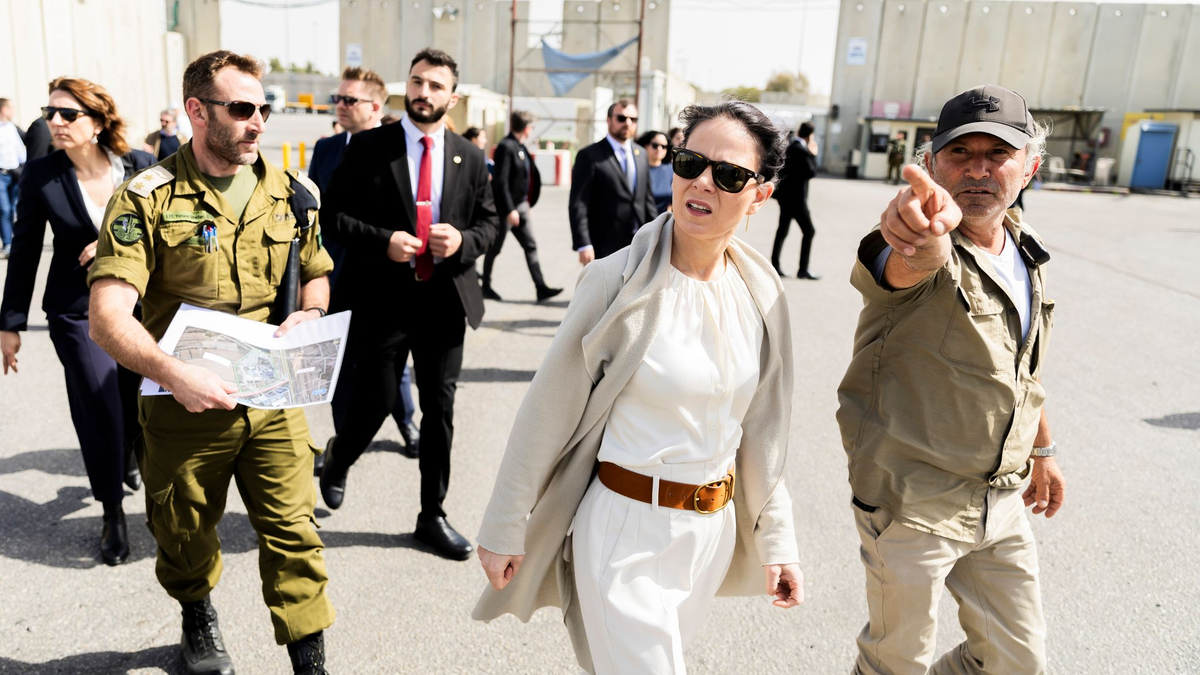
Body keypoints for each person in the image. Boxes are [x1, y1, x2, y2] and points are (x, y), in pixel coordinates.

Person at [475, 99, 804, 674]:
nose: (701, 182)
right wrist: (505, 522)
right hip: (625, 533)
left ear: (760, 195)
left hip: (708, 537)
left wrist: (777, 542)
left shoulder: (761, 292)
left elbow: (761, 431)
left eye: (727, 175)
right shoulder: (613, 282)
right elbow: (546, 410)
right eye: (688, 162)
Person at [86, 51, 336, 675]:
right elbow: (107, 317)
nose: (258, 123)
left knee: (294, 532)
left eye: (264, 109)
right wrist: (174, 375)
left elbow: (318, 276)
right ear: (197, 112)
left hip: (272, 395)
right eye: (242, 109)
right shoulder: (144, 197)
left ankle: (311, 662)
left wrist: (311, 311)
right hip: (183, 400)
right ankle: (197, 613)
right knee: (184, 529)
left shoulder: (293, 193)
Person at [837, 84, 1064, 675]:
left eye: (998, 154)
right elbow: (901, 261)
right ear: (931, 163)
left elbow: (1022, 368)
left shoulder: (1026, 252)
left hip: (1001, 498)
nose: (979, 170)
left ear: (1030, 167)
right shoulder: (925, 241)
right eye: (961, 154)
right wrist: (917, 239)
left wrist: (1044, 448)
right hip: (914, 502)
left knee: (1017, 661)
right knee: (896, 662)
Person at [318, 48, 498, 562]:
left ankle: (431, 516)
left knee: (439, 409)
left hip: (444, 301)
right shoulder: (371, 147)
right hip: (384, 299)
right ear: (406, 88)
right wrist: (384, 241)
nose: (423, 93)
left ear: (452, 98)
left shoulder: (470, 156)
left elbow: (487, 222)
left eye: (435, 86)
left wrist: (463, 241)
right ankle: (338, 456)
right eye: (417, 82)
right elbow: (334, 216)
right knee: (373, 404)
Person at [0, 78, 153, 566]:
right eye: (50, 113)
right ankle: (112, 509)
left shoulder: (141, 167)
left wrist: (112, 243)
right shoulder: (41, 175)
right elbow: (23, 251)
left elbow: (174, 227)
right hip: (75, 311)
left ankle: (127, 456)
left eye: (68, 114)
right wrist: (10, 323)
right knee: (98, 400)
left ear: (99, 121)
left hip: (140, 306)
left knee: (133, 401)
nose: (55, 123)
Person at [311, 65, 421, 464]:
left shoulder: (398, 150)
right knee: (339, 363)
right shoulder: (326, 149)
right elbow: (317, 215)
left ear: (375, 106)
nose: (339, 106)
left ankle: (407, 423)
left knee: (392, 365)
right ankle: (344, 445)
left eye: (348, 100)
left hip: (383, 278)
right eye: (336, 99)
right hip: (335, 274)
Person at [480, 110, 561, 303]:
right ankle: (486, 286)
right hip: (507, 210)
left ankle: (541, 288)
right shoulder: (506, 147)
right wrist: (509, 209)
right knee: (494, 248)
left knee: (530, 246)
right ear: (526, 128)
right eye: (531, 127)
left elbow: (526, 178)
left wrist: (526, 203)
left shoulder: (520, 146)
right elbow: (501, 181)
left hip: (521, 207)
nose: (532, 130)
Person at [568, 100, 657, 264]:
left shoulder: (642, 154)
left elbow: (647, 200)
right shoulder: (589, 155)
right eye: (621, 118)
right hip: (604, 245)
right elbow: (578, 203)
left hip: (640, 244)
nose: (628, 123)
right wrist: (583, 244)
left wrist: (657, 235)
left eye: (633, 119)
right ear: (609, 120)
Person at [770, 121, 820, 279]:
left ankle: (775, 265)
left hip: (786, 198)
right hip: (796, 200)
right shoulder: (802, 150)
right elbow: (811, 172)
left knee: (782, 231)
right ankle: (803, 269)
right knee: (809, 231)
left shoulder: (791, 147)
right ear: (810, 134)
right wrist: (813, 154)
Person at [0, 97, 24, 257]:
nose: (14, 112)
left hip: (16, 173)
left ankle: (17, 243)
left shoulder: (12, 127)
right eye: (11, 108)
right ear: (3, 110)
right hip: (1, 175)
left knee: (17, 210)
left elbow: (21, 149)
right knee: (4, 210)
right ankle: (8, 244)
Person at [637, 129, 673, 215]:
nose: (659, 149)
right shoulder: (636, 168)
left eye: (664, 147)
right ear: (645, 145)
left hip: (662, 222)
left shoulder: (671, 170)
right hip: (639, 222)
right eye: (655, 145)